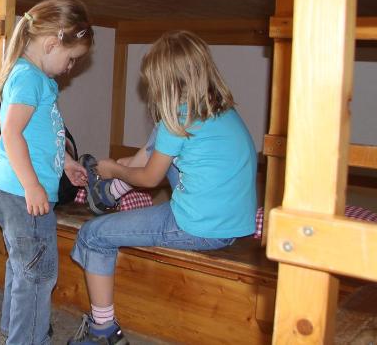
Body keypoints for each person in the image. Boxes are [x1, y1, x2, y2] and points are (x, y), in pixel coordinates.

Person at [68, 30, 257, 345]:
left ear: (168, 82)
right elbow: (157, 160)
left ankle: (103, 331)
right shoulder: (222, 112)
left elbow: (150, 179)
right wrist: (121, 167)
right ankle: (110, 192)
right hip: (235, 223)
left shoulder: (177, 120)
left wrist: (114, 166)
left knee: (94, 236)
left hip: (198, 226)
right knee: (159, 136)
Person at [0, 0, 94, 345]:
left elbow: (42, 136)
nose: (71, 67)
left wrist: (67, 162)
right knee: (38, 274)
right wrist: (33, 186)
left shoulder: (35, 78)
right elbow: (12, 132)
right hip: (22, 193)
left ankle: (15, 331)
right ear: (51, 43)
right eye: (71, 58)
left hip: (16, 190)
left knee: (24, 268)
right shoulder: (29, 78)